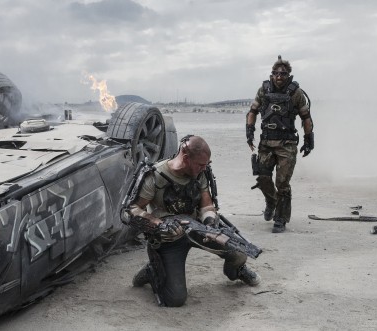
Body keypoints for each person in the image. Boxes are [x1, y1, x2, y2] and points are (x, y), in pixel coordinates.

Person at [126, 135, 261, 307]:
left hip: (198, 229)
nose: (204, 168)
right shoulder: (155, 176)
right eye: (200, 164)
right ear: (186, 157)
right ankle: (153, 271)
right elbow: (133, 209)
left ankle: (236, 271)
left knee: (239, 251)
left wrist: (211, 224)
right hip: (169, 238)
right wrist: (158, 223)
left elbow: (206, 206)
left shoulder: (199, 173)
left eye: (206, 164)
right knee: (175, 300)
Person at [246, 55, 314, 233]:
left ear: (288, 75)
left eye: (283, 73)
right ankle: (271, 202)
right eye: (276, 73)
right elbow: (252, 111)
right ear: (272, 74)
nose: (279, 76)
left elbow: (306, 118)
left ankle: (281, 218)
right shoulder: (264, 90)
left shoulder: (295, 93)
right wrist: (249, 132)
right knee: (263, 177)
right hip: (267, 141)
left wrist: (309, 140)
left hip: (287, 143)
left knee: (282, 183)